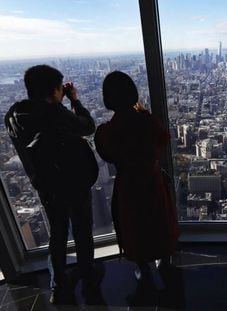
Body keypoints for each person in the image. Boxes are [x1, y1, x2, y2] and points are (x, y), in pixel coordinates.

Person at [5, 65, 99, 303]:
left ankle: (57, 284)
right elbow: (87, 126)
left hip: (46, 185)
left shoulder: (13, 116)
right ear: (55, 90)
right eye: (60, 88)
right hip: (73, 182)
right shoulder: (54, 112)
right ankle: (88, 277)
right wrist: (74, 101)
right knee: (82, 231)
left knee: (57, 234)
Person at [94, 71, 179, 281]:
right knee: (158, 218)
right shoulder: (147, 121)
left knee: (134, 222)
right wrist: (145, 114)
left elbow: (106, 154)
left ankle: (143, 264)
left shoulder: (106, 131)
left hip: (128, 183)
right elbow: (163, 139)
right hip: (151, 178)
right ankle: (165, 259)